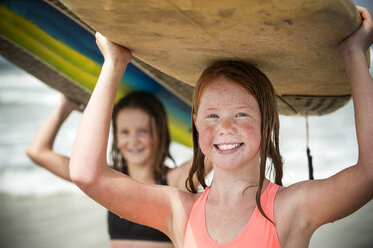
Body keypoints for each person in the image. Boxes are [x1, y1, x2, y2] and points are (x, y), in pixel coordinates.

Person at [69, 5, 373, 247]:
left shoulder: (291, 208)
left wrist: (353, 54)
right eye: (212, 116)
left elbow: (369, 173)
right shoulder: (180, 211)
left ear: (267, 123)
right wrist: (115, 63)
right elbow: (86, 174)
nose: (225, 127)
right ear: (197, 125)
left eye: (241, 114)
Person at [27, 91, 210, 248]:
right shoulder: (106, 179)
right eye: (125, 132)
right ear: (115, 137)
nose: (133, 141)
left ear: (159, 133)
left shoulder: (175, 181)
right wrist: (66, 106)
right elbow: (38, 151)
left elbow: (211, 150)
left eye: (143, 131)